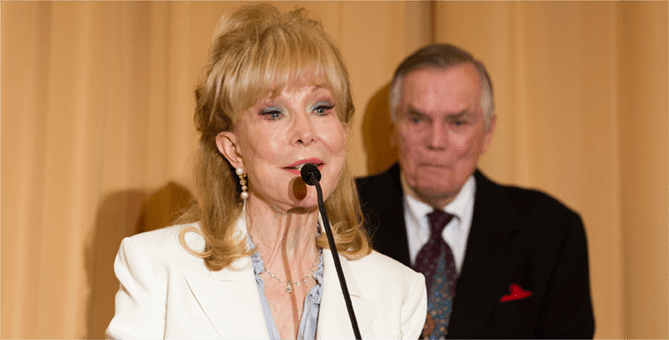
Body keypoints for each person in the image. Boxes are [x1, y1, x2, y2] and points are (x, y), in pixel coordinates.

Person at [106, 4, 426, 339]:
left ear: (343, 132)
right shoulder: (158, 269)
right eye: (274, 112)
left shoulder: (398, 291)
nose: (305, 131)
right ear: (233, 149)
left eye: (321, 108)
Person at [356, 44, 594, 338]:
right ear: (394, 127)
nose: (436, 141)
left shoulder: (552, 231)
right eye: (418, 119)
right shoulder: (339, 214)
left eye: (457, 122)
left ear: (487, 132)